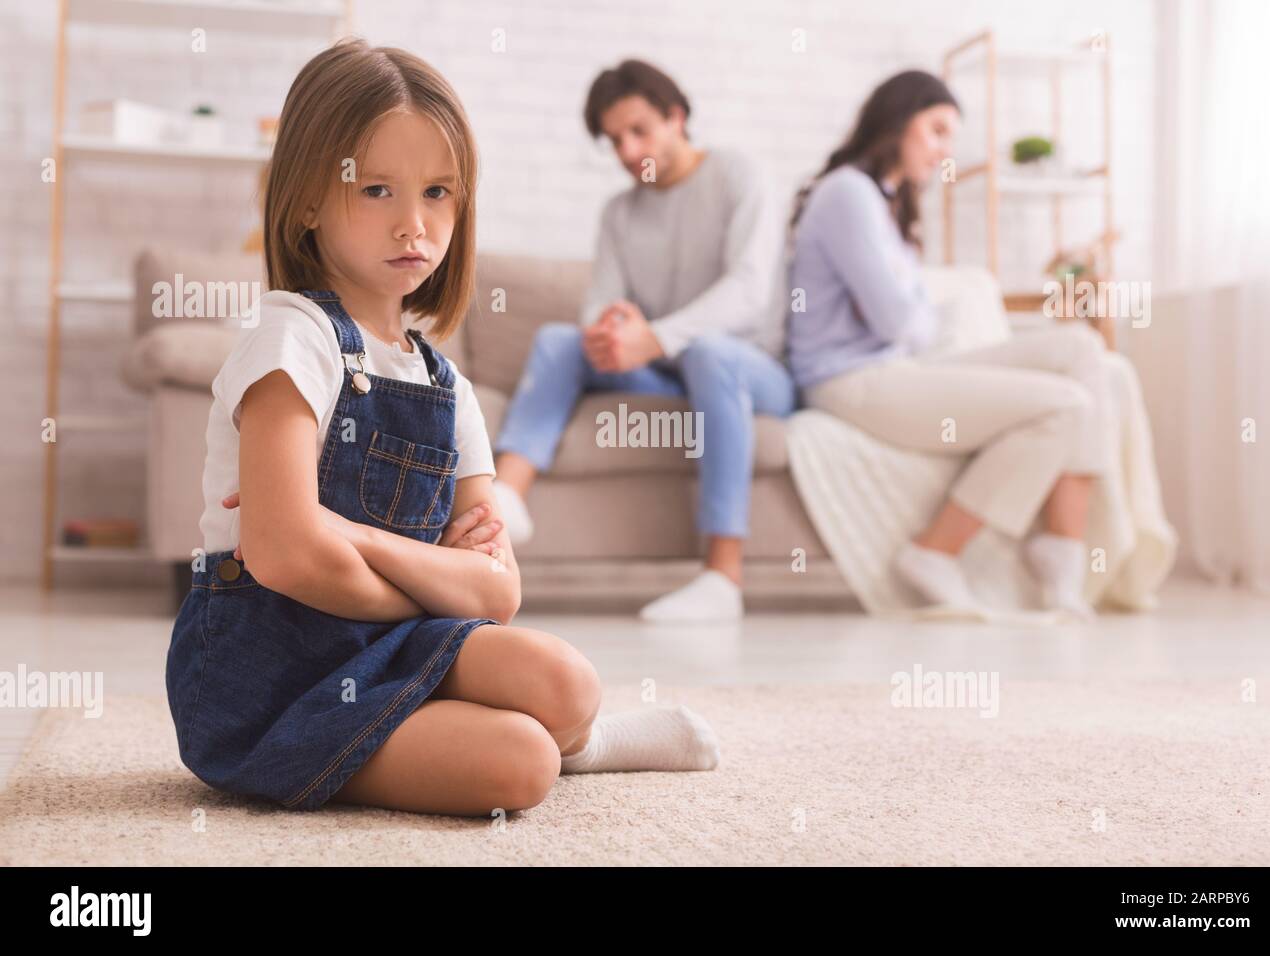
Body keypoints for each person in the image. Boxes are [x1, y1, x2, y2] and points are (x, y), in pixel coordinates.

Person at [165, 39, 719, 819]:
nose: (413, 225)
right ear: (308, 200)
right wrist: (431, 581)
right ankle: (572, 747)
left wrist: (351, 536)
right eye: (379, 190)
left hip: (392, 647)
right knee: (520, 765)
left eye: (438, 193)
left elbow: (497, 590)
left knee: (567, 681)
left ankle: (578, 733)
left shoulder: (444, 385)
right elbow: (286, 556)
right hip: (266, 679)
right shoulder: (291, 340)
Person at [787, 70, 1113, 619]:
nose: (944, 151)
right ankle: (933, 553)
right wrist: (911, 315)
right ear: (896, 120)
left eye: (950, 138)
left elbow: (910, 319)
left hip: (898, 366)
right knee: (1065, 405)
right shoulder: (847, 192)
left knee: (1081, 349)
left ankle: (1062, 553)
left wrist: (910, 314)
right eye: (936, 130)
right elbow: (901, 323)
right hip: (849, 380)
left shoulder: (887, 205)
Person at [491, 59, 795, 623]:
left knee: (709, 353)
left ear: (676, 118)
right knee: (561, 340)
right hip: (669, 374)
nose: (627, 152)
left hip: (750, 370)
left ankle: (722, 577)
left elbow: (749, 290)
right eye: (614, 140)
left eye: (638, 132)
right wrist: (612, 326)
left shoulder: (738, 175)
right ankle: (506, 498)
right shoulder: (619, 213)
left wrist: (654, 337)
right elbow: (597, 303)